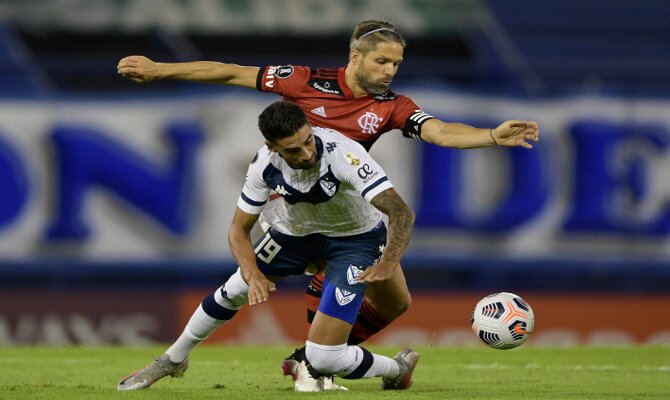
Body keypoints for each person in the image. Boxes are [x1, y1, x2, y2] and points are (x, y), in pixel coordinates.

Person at [117, 19, 540, 391]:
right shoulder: (303, 83)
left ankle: (316, 358)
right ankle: (179, 360)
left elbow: (441, 132)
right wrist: (159, 69)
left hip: (355, 220)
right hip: (298, 219)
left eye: (396, 64)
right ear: (356, 56)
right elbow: (229, 72)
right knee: (237, 286)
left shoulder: (389, 107)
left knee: (396, 303)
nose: (390, 72)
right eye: (382, 62)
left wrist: (490, 135)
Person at [117, 101, 419, 391]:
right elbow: (238, 228)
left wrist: (389, 262)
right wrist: (252, 273)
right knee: (235, 287)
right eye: (293, 149)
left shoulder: (344, 155)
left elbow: (401, 212)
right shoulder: (263, 164)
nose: (305, 153)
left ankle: (397, 368)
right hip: (295, 235)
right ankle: (172, 359)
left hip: (355, 240)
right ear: (273, 148)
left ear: (309, 127)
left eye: (307, 141)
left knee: (324, 358)